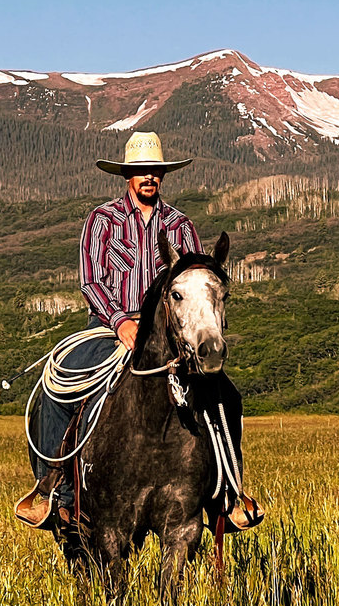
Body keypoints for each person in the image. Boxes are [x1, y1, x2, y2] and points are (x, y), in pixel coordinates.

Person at [16, 132, 205, 528]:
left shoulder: (181, 226)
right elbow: (90, 281)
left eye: (154, 171)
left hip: (169, 333)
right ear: (127, 176)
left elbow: (195, 283)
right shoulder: (101, 220)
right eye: (141, 172)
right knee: (57, 386)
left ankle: (226, 491)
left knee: (220, 395)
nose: (148, 177)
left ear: (162, 176)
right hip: (106, 327)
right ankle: (55, 492)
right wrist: (120, 322)